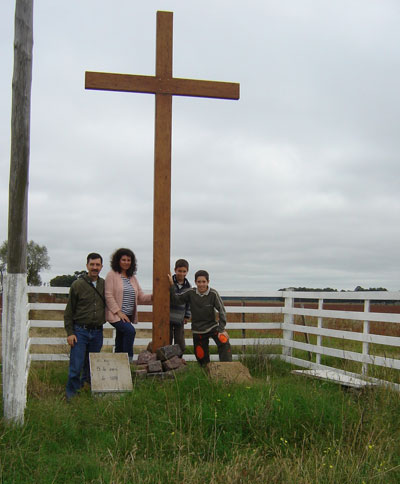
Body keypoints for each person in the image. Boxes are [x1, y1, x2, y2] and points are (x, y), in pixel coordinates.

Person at [168, 269, 232, 365]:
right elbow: (176, 300)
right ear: (195, 282)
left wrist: (221, 329)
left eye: (204, 282)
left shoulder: (213, 294)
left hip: (212, 327)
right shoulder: (191, 293)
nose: (201, 284)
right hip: (198, 330)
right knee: (201, 357)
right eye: (199, 282)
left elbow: (222, 311)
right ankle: (206, 372)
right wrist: (172, 285)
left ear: (208, 282)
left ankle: (226, 368)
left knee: (224, 341)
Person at [64, 252, 106, 400]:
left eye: (97, 265)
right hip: (80, 331)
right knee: (76, 366)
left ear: (101, 266)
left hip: (97, 332)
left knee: (91, 365)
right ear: (87, 265)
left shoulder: (104, 284)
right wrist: (70, 332)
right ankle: (72, 397)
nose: (95, 267)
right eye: (92, 264)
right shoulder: (77, 285)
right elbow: (69, 311)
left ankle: (86, 391)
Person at [105, 248, 152, 362]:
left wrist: (153, 296)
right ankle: (128, 360)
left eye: (129, 260)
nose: (126, 262)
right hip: (116, 315)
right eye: (123, 260)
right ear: (118, 260)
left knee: (121, 338)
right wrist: (119, 312)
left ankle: (117, 363)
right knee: (130, 331)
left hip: (128, 315)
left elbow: (140, 296)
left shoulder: (132, 277)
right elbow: (108, 295)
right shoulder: (112, 275)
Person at [169, 259, 191, 352]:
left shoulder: (188, 286)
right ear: (175, 270)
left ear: (187, 271)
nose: (181, 273)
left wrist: (187, 315)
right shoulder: (170, 281)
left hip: (180, 318)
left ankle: (178, 360)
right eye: (179, 271)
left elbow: (188, 302)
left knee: (180, 342)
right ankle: (166, 361)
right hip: (168, 316)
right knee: (167, 339)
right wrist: (171, 285)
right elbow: (174, 296)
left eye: (184, 271)